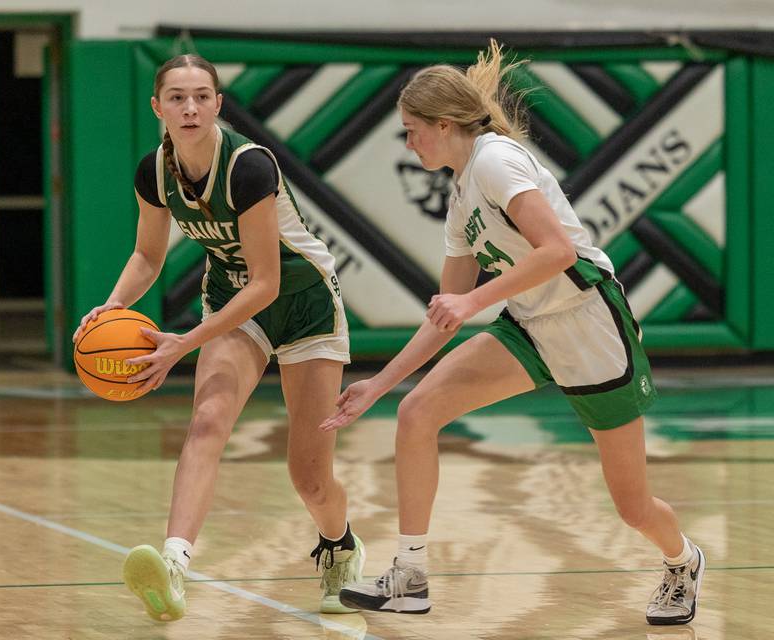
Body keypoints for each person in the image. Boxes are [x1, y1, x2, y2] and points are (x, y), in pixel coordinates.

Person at [319, 40, 704, 626]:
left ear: (443, 125)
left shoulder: (497, 162)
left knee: (631, 506)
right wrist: (380, 384)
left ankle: (682, 561)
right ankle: (411, 575)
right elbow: (443, 315)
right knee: (416, 413)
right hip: (529, 322)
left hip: (589, 323)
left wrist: (473, 298)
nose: (408, 142)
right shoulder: (459, 196)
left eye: (411, 130)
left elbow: (556, 251)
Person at [72, 54, 364, 621]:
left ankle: (339, 546)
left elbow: (267, 281)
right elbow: (147, 255)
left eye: (202, 95)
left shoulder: (250, 167)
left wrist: (184, 343)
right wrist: (112, 307)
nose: (190, 107)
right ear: (157, 107)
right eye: (177, 97)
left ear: (218, 104)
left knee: (309, 474)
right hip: (234, 298)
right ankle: (174, 564)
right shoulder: (153, 172)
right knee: (207, 421)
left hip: (302, 303)